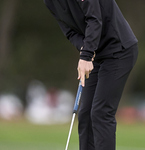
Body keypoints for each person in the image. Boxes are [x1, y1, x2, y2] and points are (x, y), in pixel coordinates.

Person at [43, 0, 138, 150]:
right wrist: (85, 48)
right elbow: (69, 31)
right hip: (96, 54)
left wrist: (86, 55)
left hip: (119, 50)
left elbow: (94, 18)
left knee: (101, 113)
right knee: (85, 114)